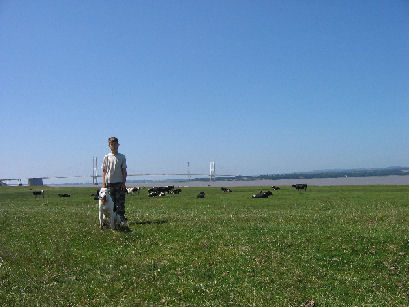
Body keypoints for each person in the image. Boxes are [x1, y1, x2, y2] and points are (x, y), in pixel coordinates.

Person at [102, 137, 128, 225]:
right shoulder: (106, 157)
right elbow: (104, 171)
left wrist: (124, 183)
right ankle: (109, 219)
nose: (114, 146)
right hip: (109, 183)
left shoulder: (122, 157)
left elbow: (124, 170)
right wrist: (104, 184)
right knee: (109, 202)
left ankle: (121, 218)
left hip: (119, 182)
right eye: (112, 144)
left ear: (118, 145)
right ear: (109, 146)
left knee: (120, 202)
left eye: (115, 144)